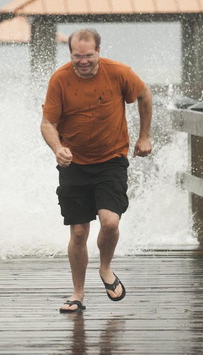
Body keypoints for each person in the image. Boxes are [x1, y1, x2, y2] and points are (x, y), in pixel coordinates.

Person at [40, 28, 153, 314]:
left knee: (110, 222)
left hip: (111, 159)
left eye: (88, 56)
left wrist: (144, 136)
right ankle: (77, 294)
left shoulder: (118, 73)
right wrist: (57, 148)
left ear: (98, 51)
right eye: (77, 56)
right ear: (71, 54)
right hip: (74, 163)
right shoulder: (61, 79)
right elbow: (47, 123)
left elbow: (144, 95)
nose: (83, 62)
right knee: (78, 233)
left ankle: (105, 268)